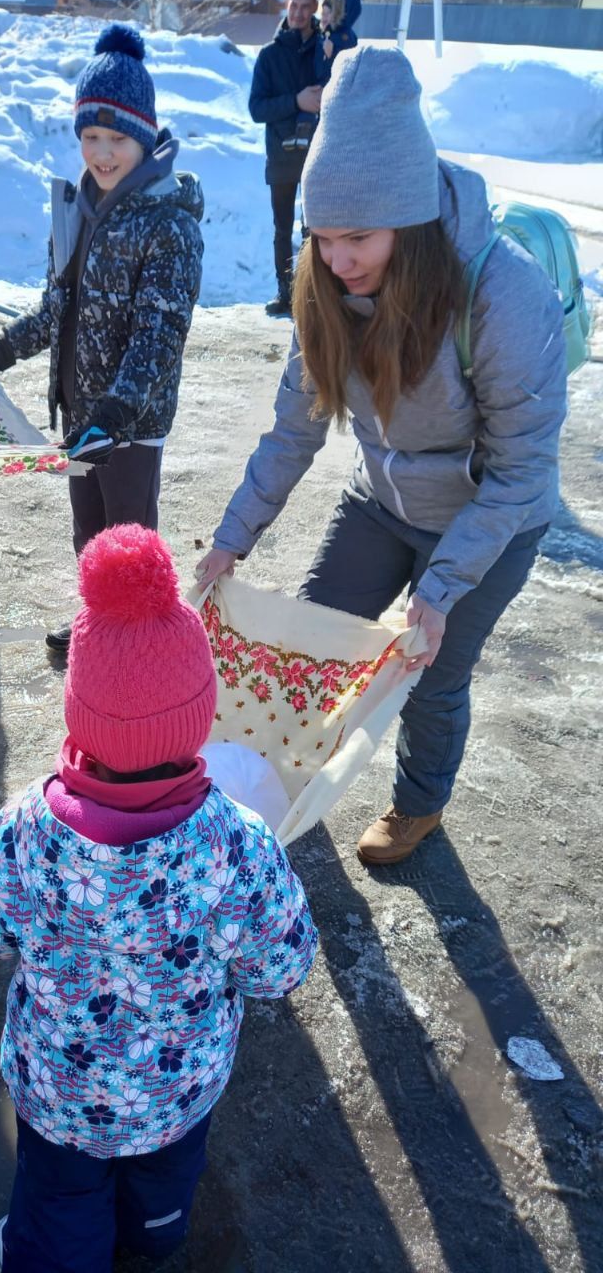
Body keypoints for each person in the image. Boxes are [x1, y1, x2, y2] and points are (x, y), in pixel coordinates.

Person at [197, 47, 567, 866]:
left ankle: (418, 805)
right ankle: (282, 788)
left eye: (357, 238)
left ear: (412, 220)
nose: (337, 260)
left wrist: (436, 594)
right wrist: (231, 539)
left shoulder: (501, 294)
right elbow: (293, 430)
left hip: (487, 519)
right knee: (309, 643)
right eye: (321, 238)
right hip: (382, 501)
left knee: (429, 675)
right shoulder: (324, 285)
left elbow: (521, 472)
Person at [0, 523, 317, 1273]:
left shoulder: (26, 827)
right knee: (163, 1184)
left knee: (58, 1197)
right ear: (199, 714)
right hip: (176, 1090)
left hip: (58, 1087)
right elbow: (280, 969)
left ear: (78, 708)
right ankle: (152, 1238)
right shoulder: (239, 845)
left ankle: (51, 1258)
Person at [0, 24, 204, 655]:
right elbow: (53, 311)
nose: (102, 151)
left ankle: (143, 649)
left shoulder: (168, 224)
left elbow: (159, 334)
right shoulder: (78, 210)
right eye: (90, 136)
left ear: (144, 136)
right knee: (89, 538)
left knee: (130, 544)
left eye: (117, 137)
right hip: (82, 413)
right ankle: (101, 631)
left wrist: (116, 414)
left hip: (128, 422)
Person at [249, 0, 322, 319]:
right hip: (280, 155)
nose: (299, 13)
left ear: (316, 8)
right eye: (294, 5)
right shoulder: (268, 56)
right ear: (287, 5)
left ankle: (314, 295)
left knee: (315, 228)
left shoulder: (325, 49)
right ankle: (285, 292)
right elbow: (257, 108)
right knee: (282, 228)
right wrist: (296, 101)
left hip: (317, 155)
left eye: (306, 6)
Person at [315, 0, 360, 86]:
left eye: (328, 13)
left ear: (336, 13)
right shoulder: (321, 35)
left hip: (336, 89)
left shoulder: (345, 36)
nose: (324, 17)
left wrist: (331, 55)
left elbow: (349, 69)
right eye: (323, 13)